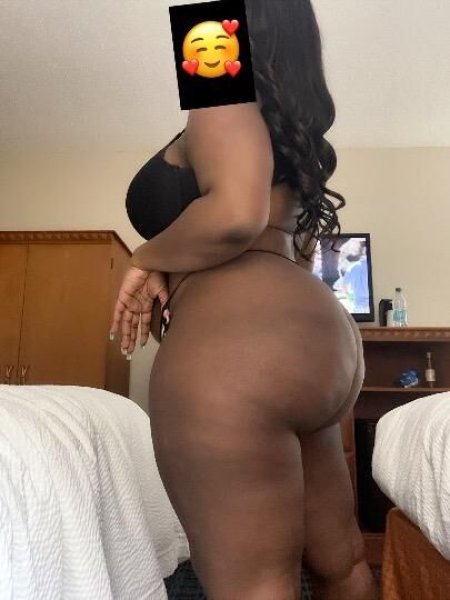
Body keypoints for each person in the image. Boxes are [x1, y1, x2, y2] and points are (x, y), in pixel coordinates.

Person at [110, 1, 379, 598]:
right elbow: (289, 246)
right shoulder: (295, 137)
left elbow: (234, 215)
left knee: (254, 583)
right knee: (341, 562)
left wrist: (146, 256)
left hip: (238, 352)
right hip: (321, 343)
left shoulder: (222, 98)